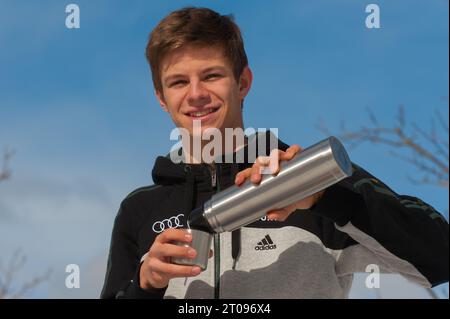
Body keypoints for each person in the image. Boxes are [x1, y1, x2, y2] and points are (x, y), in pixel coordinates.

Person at [100, 7, 449, 299]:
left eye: (211, 76)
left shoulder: (306, 175)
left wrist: (323, 196)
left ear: (243, 82)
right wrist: (145, 286)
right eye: (178, 82)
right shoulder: (139, 211)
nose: (196, 94)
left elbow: (441, 255)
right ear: (161, 98)